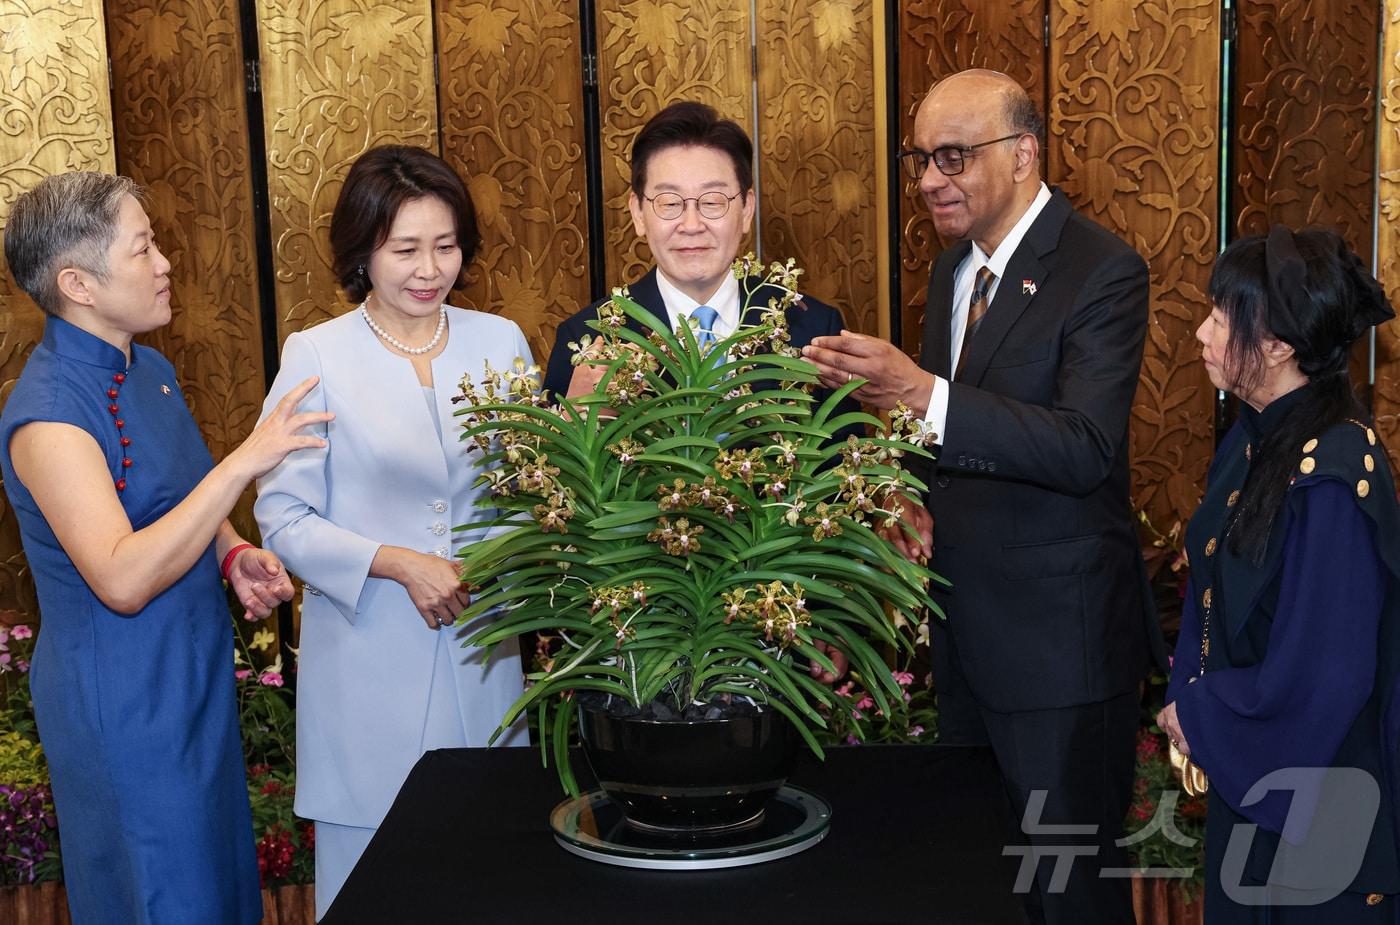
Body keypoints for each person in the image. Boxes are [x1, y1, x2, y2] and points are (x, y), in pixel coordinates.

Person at [802, 69, 1157, 922]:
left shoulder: (1101, 269)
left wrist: (922, 394)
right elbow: (954, 440)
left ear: (1025, 154)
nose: (929, 179)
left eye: (952, 156)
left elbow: (1085, 447)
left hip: (1059, 656)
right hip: (964, 639)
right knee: (985, 884)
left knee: (1066, 894)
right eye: (920, 158)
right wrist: (903, 492)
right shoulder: (952, 269)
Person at [0, 172, 329, 923]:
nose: (166, 263)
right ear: (77, 283)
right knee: (159, 892)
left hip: (190, 675)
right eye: (143, 248)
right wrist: (245, 459)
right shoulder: (48, 416)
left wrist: (231, 552)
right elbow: (120, 576)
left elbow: (183, 499)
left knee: (214, 887)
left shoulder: (148, 368)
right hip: (119, 697)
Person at [254, 144, 532, 919]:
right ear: (362, 249)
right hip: (368, 665)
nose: (428, 268)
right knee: (373, 889)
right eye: (405, 248)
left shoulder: (500, 341)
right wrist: (397, 561)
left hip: (482, 658)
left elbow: (531, 494)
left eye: (445, 245)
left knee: (488, 878)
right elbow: (282, 517)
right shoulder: (317, 355)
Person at [1158, 226, 1400, 920]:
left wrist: (1203, 712)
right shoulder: (1253, 438)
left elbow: (1325, 674)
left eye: (1218, 317)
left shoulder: (1333, 474)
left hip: (1320, 809)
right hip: (1259, 782)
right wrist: (1192, 700)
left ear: (1278, 345)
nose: (1200, 334)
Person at [541, 100, 861, 452]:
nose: (691, 225)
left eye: (712, 201)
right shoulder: (589, 337)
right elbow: (558, 483)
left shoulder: (813, 329)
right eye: (669, 202)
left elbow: (842, 473)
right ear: (638, 213)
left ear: (746, 210)